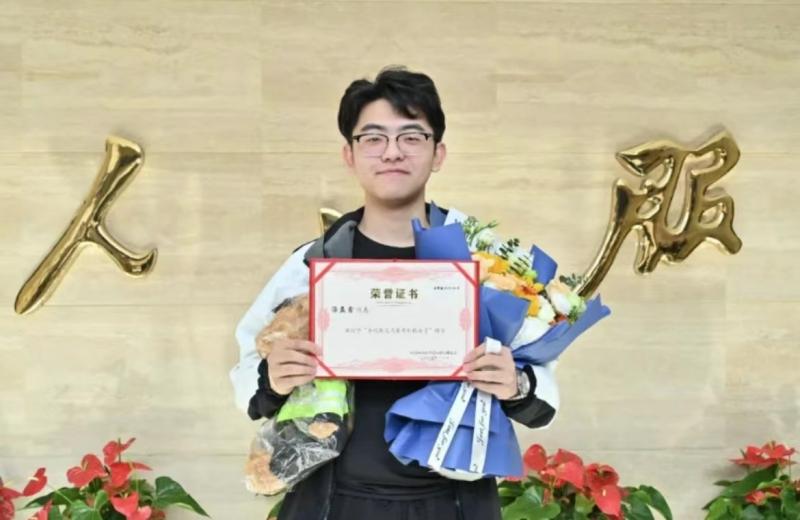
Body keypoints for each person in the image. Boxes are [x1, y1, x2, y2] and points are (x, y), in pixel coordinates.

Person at [230, 66, 560, 520]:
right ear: (349, 154)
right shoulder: (313, 263)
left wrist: (514, 383)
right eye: (373, 138)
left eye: (411, 136)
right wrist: (274, 377)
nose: (392, 152)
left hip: (453, 503)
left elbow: (539, 386)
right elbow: (249, 372)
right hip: (333, 501)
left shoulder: (486, 262)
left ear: (438, 153)